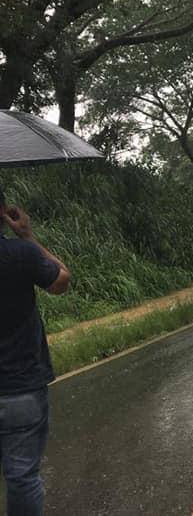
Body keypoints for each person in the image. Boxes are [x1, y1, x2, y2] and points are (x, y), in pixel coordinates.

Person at [0, 184, 71, 515]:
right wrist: (27, 235)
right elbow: (61, 281)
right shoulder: (20, 254)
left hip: (20, 388)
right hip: (20, 388)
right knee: (22, 476)